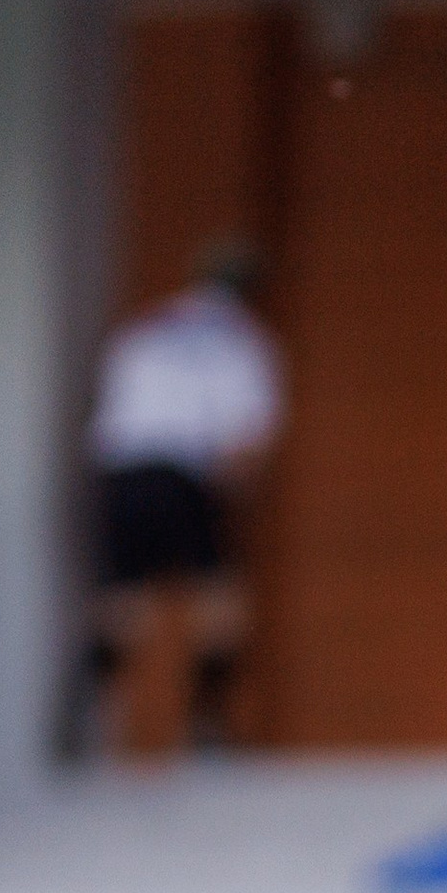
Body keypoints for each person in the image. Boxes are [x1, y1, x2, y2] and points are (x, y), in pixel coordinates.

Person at [82, 240, 284, 749]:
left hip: (122, 474)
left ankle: (95, 725)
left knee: (122, 600)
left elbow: (113, 411)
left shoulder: (144, 329)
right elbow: (246, 440)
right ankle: (207, 728)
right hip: (186, 473)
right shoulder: (243, 340)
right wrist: (234, 501)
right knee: (220, 601)